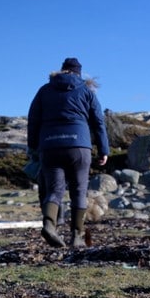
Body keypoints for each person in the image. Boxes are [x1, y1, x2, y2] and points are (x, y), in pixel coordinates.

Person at [27, 57, 109, 248]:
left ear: (61, 71)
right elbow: (98, 122)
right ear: (79, 74)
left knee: (54, 190)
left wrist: (33, 147)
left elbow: (33, 120)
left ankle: (50, 225)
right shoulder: (86, 91)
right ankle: (77, 237)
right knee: (79, 191)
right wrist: (103, 149)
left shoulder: (44, 90)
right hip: (79, 146)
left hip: (50, 146)